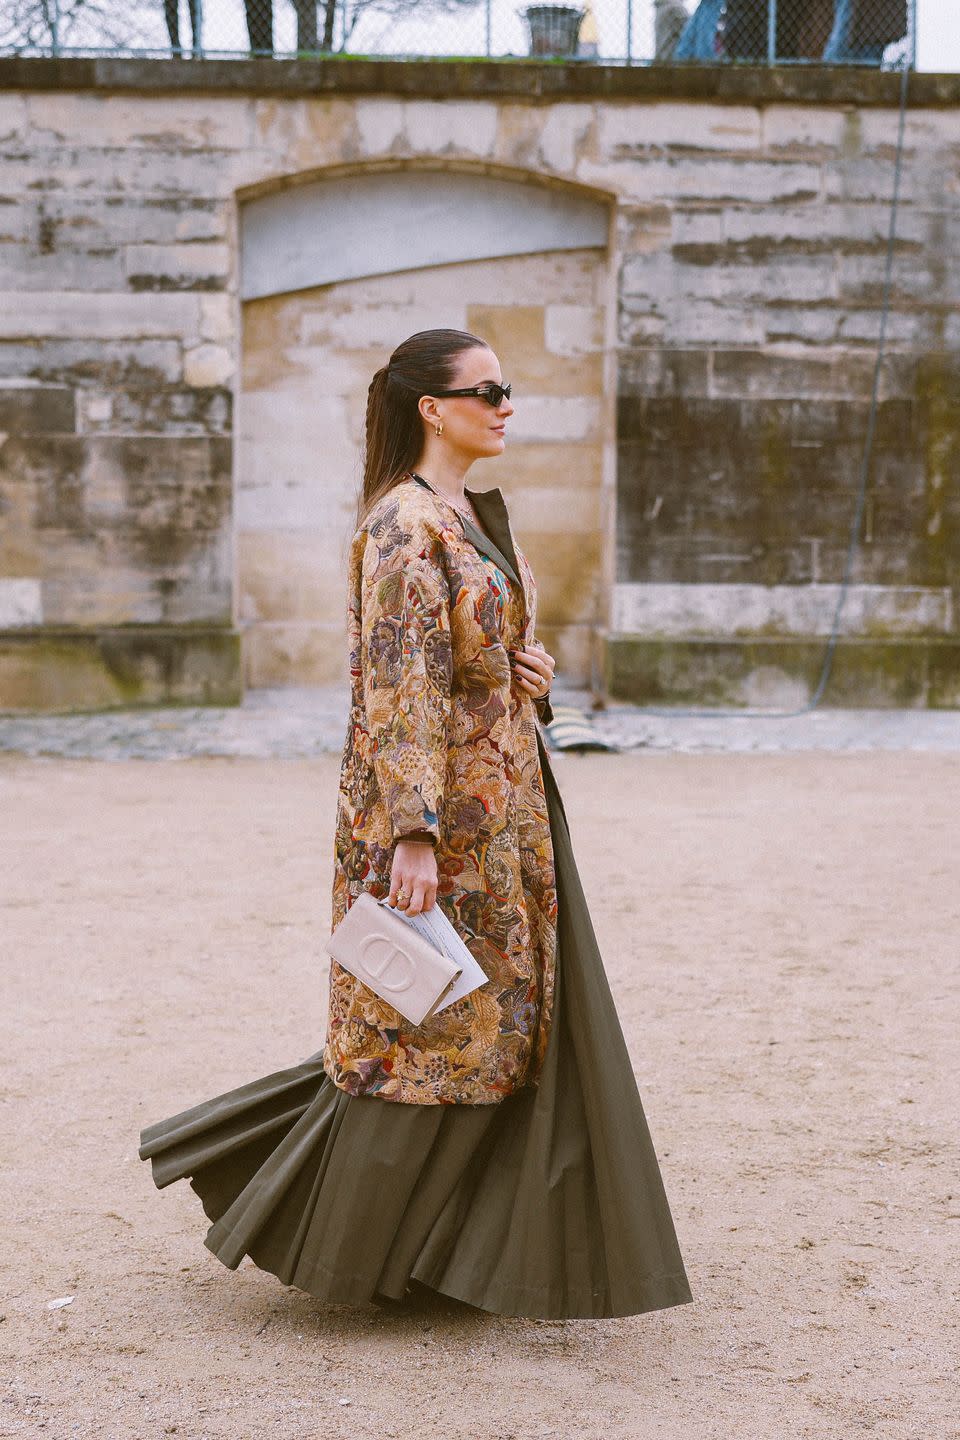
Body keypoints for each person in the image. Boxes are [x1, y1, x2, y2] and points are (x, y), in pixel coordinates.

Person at [138, 328, 694, 1320]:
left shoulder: (467, 516)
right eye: (490, 390)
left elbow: (468, 664)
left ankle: (458, 1257)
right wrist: (412, 835)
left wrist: (531, 677)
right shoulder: (404, 524)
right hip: (444, 836)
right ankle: (361, 1253)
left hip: (504, 824)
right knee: (422, 1036)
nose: (508, 405)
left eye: (508, 389)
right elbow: (400, 683)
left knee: (494, 1037)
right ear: (433, 408)